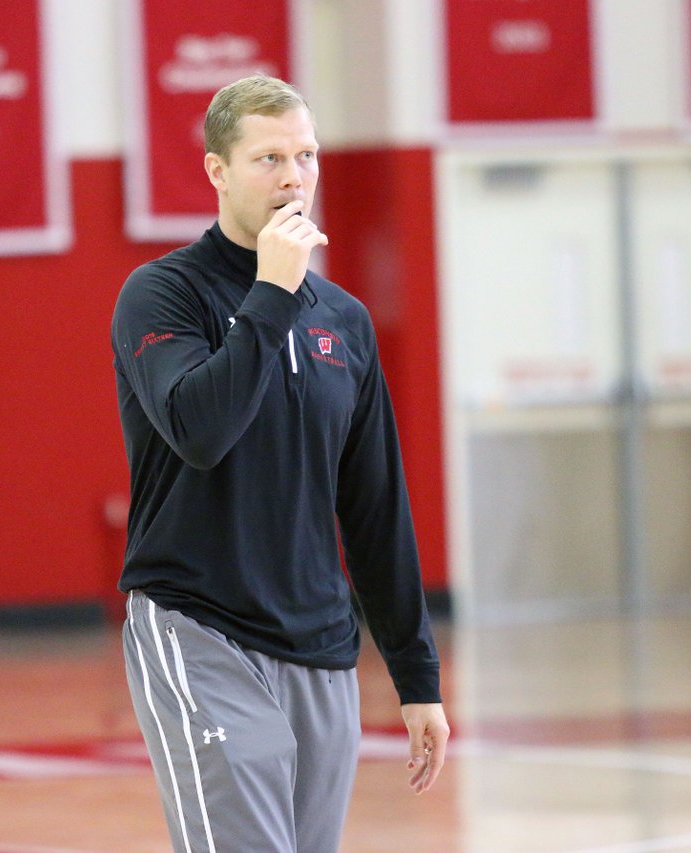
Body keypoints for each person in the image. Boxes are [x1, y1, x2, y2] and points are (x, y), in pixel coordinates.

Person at [111, 74, 449, 852]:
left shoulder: (345, 322)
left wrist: (416, 676)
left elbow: (374, 506)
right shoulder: (160, 295)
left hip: (320, 642)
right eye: (268, 157)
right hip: (199, 624)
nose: (294, 176)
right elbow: (200, 428)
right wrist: (270, 292)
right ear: (217, 171)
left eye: (306, 155)